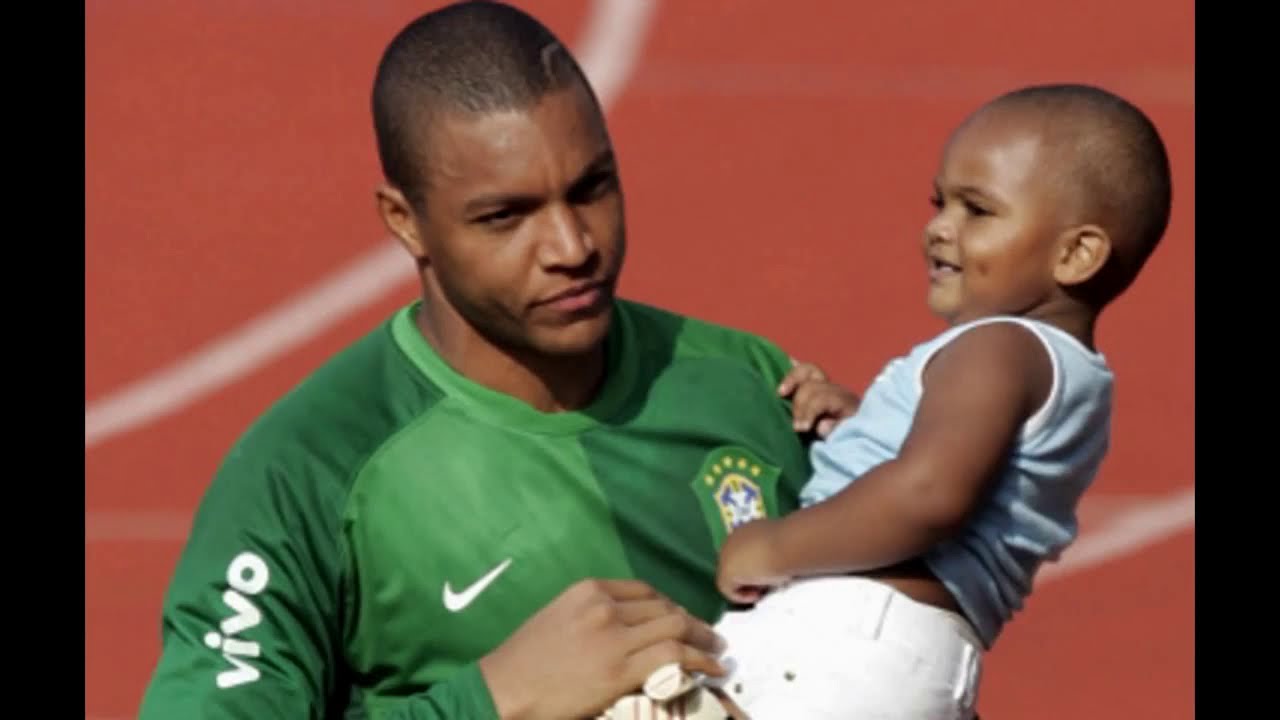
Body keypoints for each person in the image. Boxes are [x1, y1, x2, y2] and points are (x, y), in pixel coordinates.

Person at [135, 2, 857, 719]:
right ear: (404, 221)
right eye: (505, 217)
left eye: (591, 189)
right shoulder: (305, 469)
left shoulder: (749, 381)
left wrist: (891, 470)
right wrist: (492, 701)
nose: (572, 247)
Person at [664, 82, 1169, 719]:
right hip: (906, 657)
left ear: (1076, 254)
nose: (939, 229)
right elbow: (960, 461)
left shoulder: (998, 349)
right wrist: (863, 424)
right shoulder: (1067, 373)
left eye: (977, 211)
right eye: (940, 204)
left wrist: (773, 546)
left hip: (848, 642)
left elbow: (930, 494)